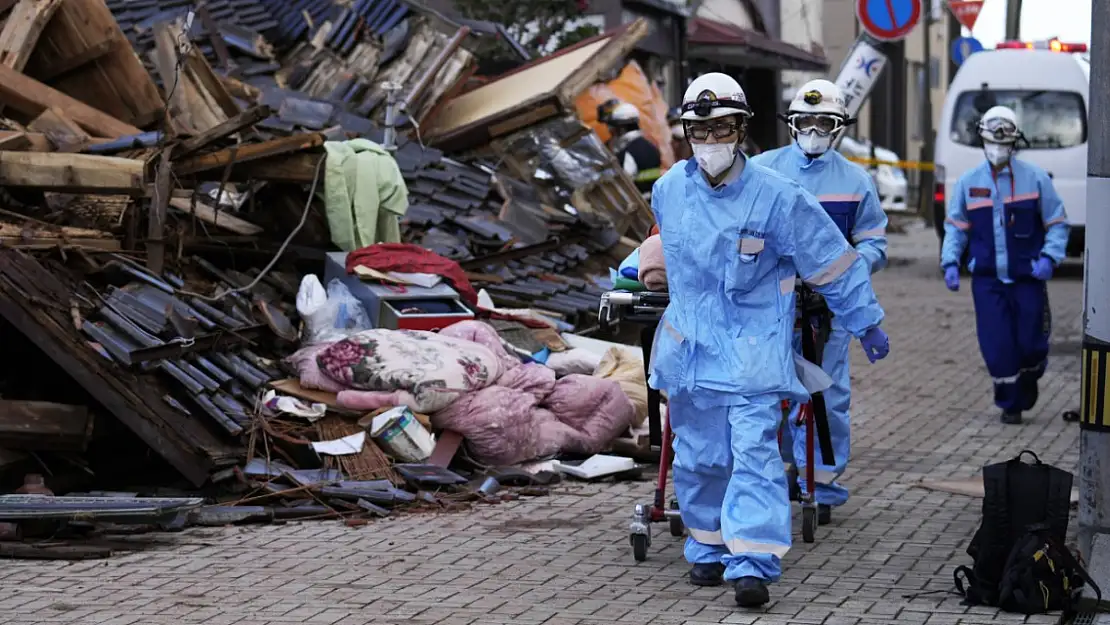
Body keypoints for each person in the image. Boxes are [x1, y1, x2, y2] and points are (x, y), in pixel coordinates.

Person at [650, 72, 891, 608]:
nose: (711, 140)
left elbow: (831, 261)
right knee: (699, 458)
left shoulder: (779, 197)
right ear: (688, 132)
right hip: (691, 353)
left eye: (723, 128)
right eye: (701, 130)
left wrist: (864, 319)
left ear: (742, 128)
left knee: (755, 455)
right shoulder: (668, 191)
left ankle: (753, 562)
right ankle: (708, 546)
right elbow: (663, 255)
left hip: (754, 354)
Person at [750, 79, 888, 525]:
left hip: (830, 309)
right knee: (768, 391)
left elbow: (874, 242)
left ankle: (821, 482)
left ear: (838, 127)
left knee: (828, 396)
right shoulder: (761, 171)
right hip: (770, 306)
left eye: (822, 122)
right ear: (790, 124)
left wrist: (850, 268)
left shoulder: (855, 181)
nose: (812, 130)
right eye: (804, 121)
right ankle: (780, 472)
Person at [941, 105, 1069, 425]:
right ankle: (1010, 405)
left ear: (1015, 142)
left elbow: (1057, 223)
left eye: (1004, 141)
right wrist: (950, 262)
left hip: (1028, 279)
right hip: (988, 282)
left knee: (1031, 345)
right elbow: (956, 227)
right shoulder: (969, 183)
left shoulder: (1035, 179)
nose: (998, 147)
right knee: (997, 347)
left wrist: (1049, 257)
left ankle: (1031, 374)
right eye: (992, 140)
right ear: (982, 140)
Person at [598, 98, 663, 193]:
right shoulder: (650, 146)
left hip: (640, 204)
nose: (610, 131)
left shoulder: (628, 153)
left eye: (612, 127)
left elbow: (623, 186)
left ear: (621, 128)